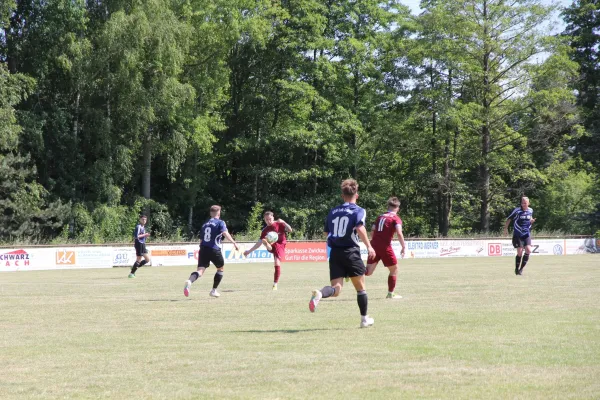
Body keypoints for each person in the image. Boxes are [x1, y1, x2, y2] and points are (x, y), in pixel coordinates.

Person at [308, 179, 377, 328]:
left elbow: (327, 232)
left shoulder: (333, 211)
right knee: (361, 288)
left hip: (335, 253)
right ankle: (364, 319)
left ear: (342, 195)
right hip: (351, 252)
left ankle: (320, 293)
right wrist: (369, 246)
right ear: (356, 195)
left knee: (336, 289)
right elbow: (359, 227)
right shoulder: (359, 210)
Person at [184, 205, 240, 298]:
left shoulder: (205, 224)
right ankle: (213, 290)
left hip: (203, 249)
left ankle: (190, 281)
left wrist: (202, 249)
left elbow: (201, 240)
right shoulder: (220, 222)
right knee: (220, 268)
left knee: (200, 271)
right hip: (214, 249)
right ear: (219, 213)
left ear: (210, 213)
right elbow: (225, 233)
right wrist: (234, 242)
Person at [365, 197, 406, 299]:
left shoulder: (380, 217)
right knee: (394, 269)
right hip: (385, 247)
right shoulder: (396, 218)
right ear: (398, 208)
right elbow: (399, 233)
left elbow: (372, 230)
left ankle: (349, 272)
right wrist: (403, 246)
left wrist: (374, 242)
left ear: (388, 206)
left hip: (374, 245)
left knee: (368, 272)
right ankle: (390, 293)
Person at [243, 211, 293, 290]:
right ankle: (267, 244)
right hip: (272, 245)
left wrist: (284, 222)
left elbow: (290, 230)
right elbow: (258, 244)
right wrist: (249, 251)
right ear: (264, 220)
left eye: (270, 219)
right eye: (266, 220)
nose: (268, 221)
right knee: (264, 240)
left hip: (280, 245)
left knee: (276, 262)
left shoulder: (279, 224)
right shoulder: (265, 230)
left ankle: (275, 284)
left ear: (273, 218)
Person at [504, 196, 535, 275]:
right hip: (518, 234)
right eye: (522, 203)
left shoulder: (530, 210)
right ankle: (516, 268)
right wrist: (505, 229)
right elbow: (509, 219)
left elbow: (530, 218)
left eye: (525, 203)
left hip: (526, 233)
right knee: (520, 253)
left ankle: (521, 269)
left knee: (528, 250)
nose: (523, 204)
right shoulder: (517, 211)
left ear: (528, 203)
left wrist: (531, 221)